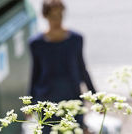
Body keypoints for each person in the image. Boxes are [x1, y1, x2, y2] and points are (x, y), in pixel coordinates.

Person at [28, 0, 96, 133]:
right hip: (47, 101)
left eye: (60, 15)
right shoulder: (36, 43)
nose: (57, 20)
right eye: (53, 16)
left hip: (72, 97)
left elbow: (82, 70)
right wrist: (30, 103)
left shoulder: (76, 40)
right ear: (45, 16)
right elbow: (35, 74)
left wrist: (96, 98)